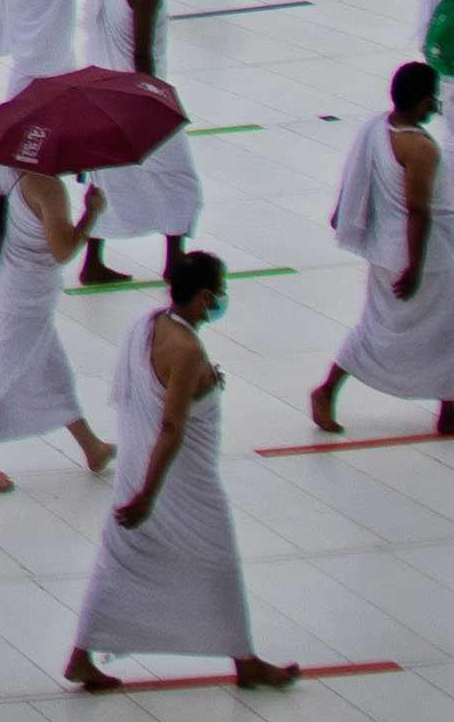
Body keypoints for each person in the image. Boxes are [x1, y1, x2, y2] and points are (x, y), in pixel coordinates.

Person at [64, 254, 295, 691]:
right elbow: (171, 427)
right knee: (219, 561)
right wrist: (150, 496)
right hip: (179, 482)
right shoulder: (187, 350)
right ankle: (245, 662)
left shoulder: (150, 324)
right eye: (220, 290)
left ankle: (81, 656)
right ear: (205, 296)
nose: (222, 299)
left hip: (137, 470)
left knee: (120, 562)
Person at [310, 61, 454, 440]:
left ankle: (326, 390)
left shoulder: (379, 127)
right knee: (452, 328)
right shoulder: (419, 147)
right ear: (422, 101)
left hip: (385, 250)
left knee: (375, 326)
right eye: (432, 100)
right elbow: (418, 211)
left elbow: (356, 178)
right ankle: (449, 412)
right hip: (420, 257)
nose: (435, 106)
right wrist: (416, 268)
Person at [0, 163, 114, 491]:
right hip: (29, 296)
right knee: (5, 374)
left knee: (51, 369)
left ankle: (91, 446)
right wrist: (91, 214)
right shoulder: (47, 187)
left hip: (4, 282)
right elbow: (62, 250)